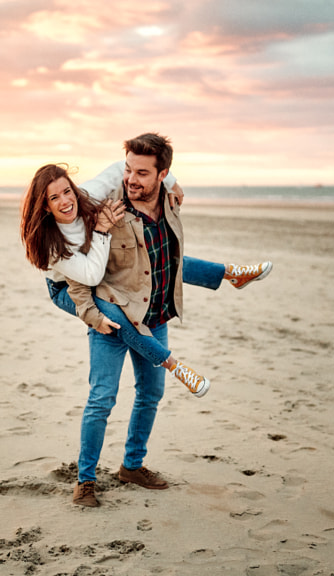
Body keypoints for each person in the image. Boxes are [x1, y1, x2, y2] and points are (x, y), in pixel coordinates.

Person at [63, 133, 257, 507]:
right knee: (102, 399)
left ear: (161, 174)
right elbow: (78, 270)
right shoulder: (106, 208)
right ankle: (85, 481)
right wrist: (91, 314)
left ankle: (132, 466)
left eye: (142, 173)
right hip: (113, 319)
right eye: (128, 170)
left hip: (155, 316)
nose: (131, 179)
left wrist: (173, 185)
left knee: (151, 394)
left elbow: (173, 261)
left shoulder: (169, 202)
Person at [19, 163, 272, 399]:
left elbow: (123, 166)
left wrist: (171, 182)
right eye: (54, 198)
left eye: (66, 191)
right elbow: (89, 278)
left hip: (95, 260)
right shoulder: (51, 243)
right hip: (66, 286)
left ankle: (231, 274)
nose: (64, 201)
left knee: (156, 261)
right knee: (110, 313)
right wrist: (101, 230)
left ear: (74, 189)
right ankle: (172, 364)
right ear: (45, 206)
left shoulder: (88, 195)